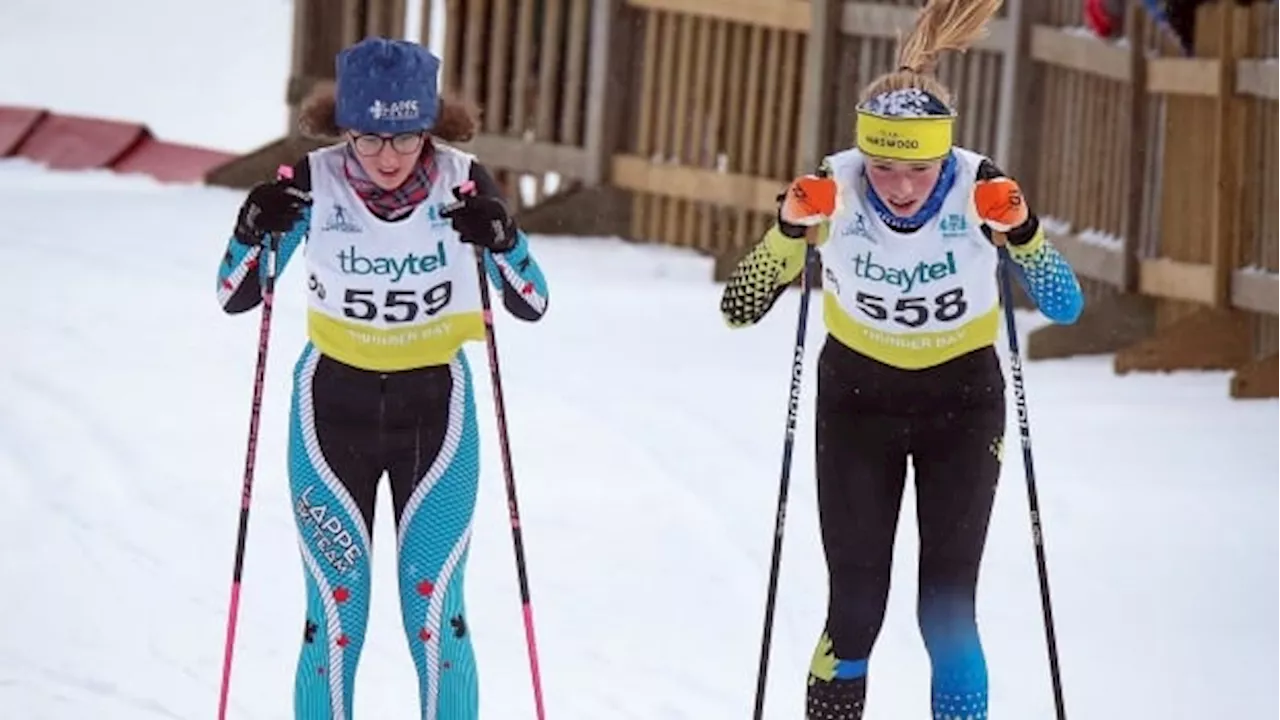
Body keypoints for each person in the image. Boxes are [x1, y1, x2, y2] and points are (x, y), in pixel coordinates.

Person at [718, 0, 1084, 716]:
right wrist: (790, 229)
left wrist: (1026, 231)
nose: (902, 186)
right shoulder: (835, 183)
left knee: (948, 617)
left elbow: (1065, 305)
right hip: (857, 406)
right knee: (854, 611)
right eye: (884, 167)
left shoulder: (982, 186)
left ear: (944, 155)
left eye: (919, 168)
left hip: (962, 407)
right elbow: (740, 307)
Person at [215, 37, 549, 720]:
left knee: (435, 614)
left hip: (437, 419)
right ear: (343, 127)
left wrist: (504, 236)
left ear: (433, 125)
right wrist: (251, 229)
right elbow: (235, 294)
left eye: (407, 138)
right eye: (368, 139)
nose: (389, 158)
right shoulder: (313, 180)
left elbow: (531, 302)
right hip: (329, 416)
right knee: (334, 618)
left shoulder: (463, 181)